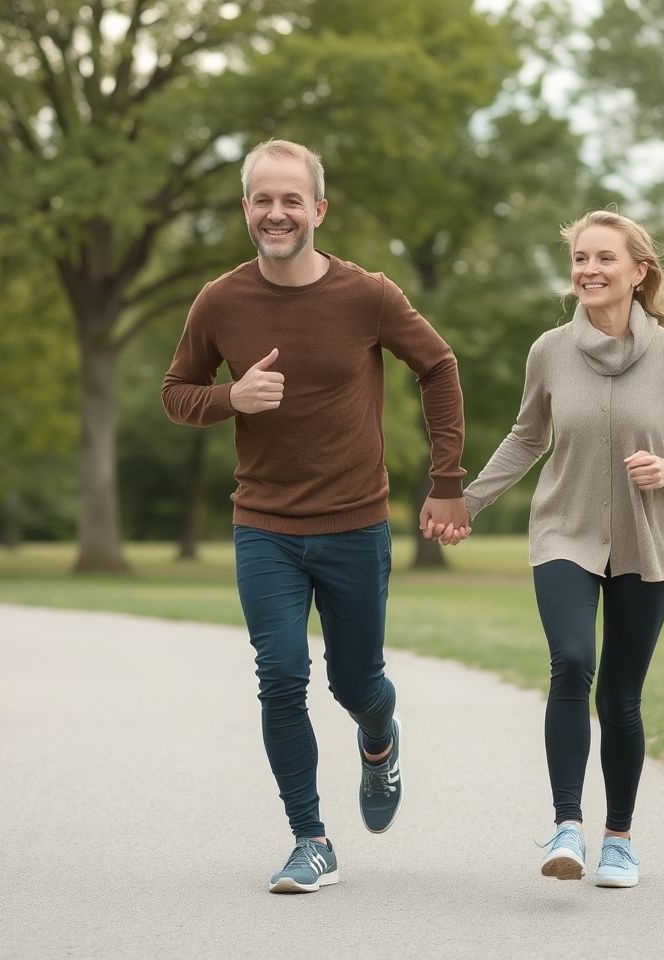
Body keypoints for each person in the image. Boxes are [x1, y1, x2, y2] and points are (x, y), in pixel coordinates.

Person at [162, 139, 470, 894]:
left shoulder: (367, 295)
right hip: (263, 525)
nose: (276, 212)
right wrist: (227, 399)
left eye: (291, 199)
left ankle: (379, 736)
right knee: (281, 676)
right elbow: (176, 391)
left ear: (318, 210)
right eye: (262, 200)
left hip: (355, 525)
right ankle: (311, 838)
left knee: (356, 682)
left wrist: (448, 481)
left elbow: (439, 366)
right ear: (245, 210)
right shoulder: (220, 301)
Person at [442, 210, 664, 888]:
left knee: (620, 698)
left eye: (604, 258)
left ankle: (620, 840)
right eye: (581, 257)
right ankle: (567, 828)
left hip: (650, 541)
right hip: (564, 532)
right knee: (571, 662)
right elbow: (526, 437)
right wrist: (469, 501)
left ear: (639, 273)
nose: (589, 269)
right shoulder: (549, 350)